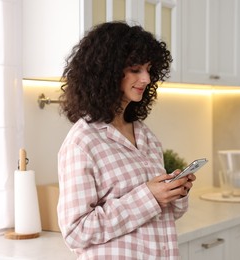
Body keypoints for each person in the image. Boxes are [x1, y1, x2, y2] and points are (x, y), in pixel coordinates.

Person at [57, 21, 196, 259]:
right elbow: (76, 232)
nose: (146, 79)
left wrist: (175, 191)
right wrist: (149, 196)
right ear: (107, 72)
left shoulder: (145, 135)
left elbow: (163, 216)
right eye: (135, 69)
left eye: (149, 69)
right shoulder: (83, 142)